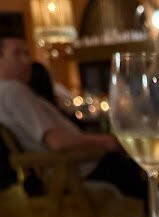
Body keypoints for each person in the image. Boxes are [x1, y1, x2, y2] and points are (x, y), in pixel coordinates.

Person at [0, 35, 146, 200]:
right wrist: (106, 141)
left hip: (72, 168)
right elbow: (57, 142)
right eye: (17, 54)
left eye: (27, 53)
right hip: (79, 170)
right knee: (145, 174)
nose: (27, 61)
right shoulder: (13, 91)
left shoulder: (9, 91)